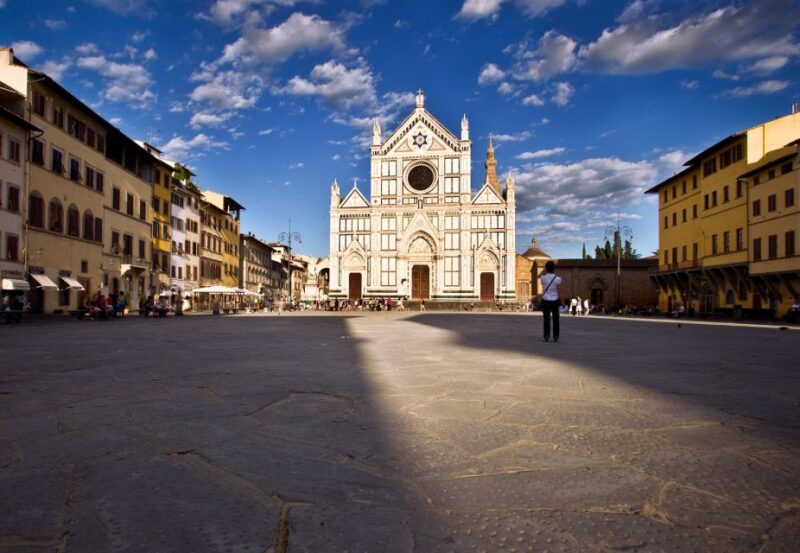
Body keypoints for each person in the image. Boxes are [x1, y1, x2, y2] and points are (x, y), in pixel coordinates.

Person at [540, 260, 562, 342]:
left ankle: (546, 335)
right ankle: (556, 336)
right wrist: (561, 301)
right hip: (555, 300)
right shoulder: (558, 279)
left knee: (546, 319)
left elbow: (543, 287)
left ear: (546, 268)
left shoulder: (543, 278)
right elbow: (559, 291)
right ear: (554, 269)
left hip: (545, 300)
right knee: (556, 319)